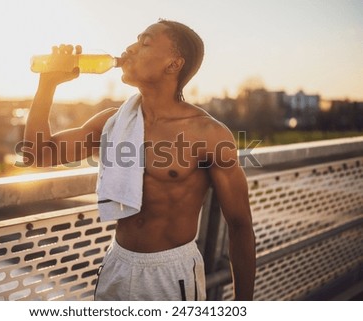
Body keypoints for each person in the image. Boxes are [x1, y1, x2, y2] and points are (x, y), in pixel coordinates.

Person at [23, 19, 255, 301]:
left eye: (145, 43)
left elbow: (240, 225)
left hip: (172, 273)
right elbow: (38, 153)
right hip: (117, 264)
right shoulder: (113, 122)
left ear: (173, 64)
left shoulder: (209, 134)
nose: (130, 48)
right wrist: (47, 85)